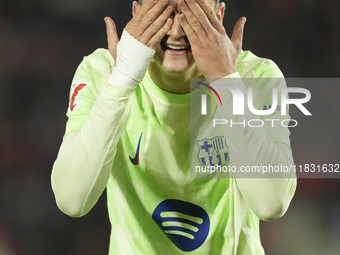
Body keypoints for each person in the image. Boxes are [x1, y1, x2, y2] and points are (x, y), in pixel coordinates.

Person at [51, 0, 297, 254]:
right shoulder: (103, 73)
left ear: (218, 16)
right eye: (164, 10)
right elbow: (71, 199)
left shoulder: (254, 77)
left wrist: (225, 79)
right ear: (137, 14)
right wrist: (122, 79)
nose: (176, 31)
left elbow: (272, 203)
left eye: (191, 12)